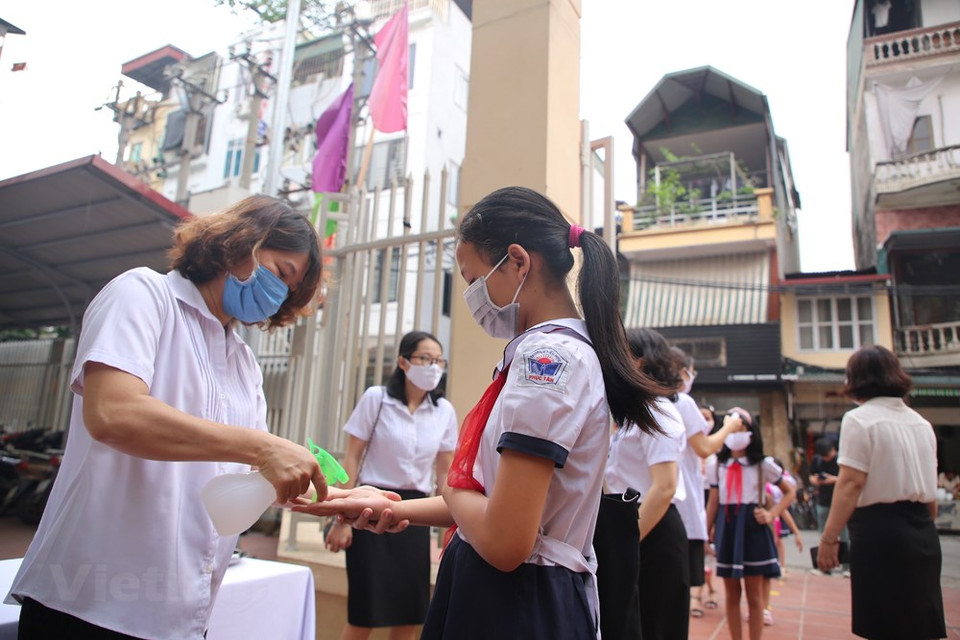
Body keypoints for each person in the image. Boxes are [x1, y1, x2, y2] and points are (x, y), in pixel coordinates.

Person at [296, 186, 667, 639]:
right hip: (516, 595)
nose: (473, 297)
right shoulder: (544, 355)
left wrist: (451, 490)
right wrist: (397, 507)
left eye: (473, 280)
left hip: (517, 603)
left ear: (517, 262)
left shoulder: (547, 363)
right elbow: (496, 505)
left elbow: (506, 540)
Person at [5, 195, 327, 639]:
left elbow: (245, 471)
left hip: (179, 612)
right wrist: (264, 448)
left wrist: (323, 492)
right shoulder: (143, 295)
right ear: (240, 244)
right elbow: (113, 413)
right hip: (88, 600)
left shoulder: (243, 362)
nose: (279, 296)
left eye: (290, 292)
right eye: (281, 274)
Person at [325, 331, 458, 640]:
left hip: (415, 513)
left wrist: (452, 521)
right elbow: (352, 458)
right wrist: (340, 517)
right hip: (368, 506)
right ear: (402, 362)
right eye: (425, 358)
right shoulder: (377, 398)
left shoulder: (444, 411)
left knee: (410, 613)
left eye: (438, 360)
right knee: (364, 613)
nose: (433, 365)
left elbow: (445, 471)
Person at [817, 345, 946, 640]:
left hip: (880, 532)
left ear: (855, 379)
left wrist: (829, 538)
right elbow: (930, 494)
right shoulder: (921, 423)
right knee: (919, 626)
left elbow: (850, 483)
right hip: (922, 532)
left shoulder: (859, 419)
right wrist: (924, 530)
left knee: (884, 625)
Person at [603, 328, 689, 640]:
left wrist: (627, 541)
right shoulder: (634, 413)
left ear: (640, 361)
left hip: (653, 528)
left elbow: (664, 487)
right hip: (634, 525)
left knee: (655, 624)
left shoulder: (658, 409)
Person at [706, 408, 796, 640]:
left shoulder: (763, 464)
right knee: (731, 594)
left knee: (755, 595)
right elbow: (714, 501)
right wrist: (705, 534)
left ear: (751, 431)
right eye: (732, 426)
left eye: (741, 426)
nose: (737, 432)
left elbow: (789, 492)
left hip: (752, 528)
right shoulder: (716, 464)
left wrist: (771, 513)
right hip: (727, 526)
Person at [669, 347, 742, 619]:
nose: (692, 376)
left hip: (661, 497)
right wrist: (729, 426)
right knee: (674, 592)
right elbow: (703, 447)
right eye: (690, 370)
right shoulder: (682, 402)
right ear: (679, 372)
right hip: (682, 503)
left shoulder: (650, 399)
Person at [808, 436, 849, 574]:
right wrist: (815, 480)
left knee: (844, 534)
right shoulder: (817, 460)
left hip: (840, 501)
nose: (826, 458)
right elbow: (811, 475)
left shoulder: (842, 460)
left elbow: (849, 479)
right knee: (823, 534)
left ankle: (847, 567)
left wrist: (833, 480)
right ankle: (824, 567)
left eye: (828, 455)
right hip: (823, 500)